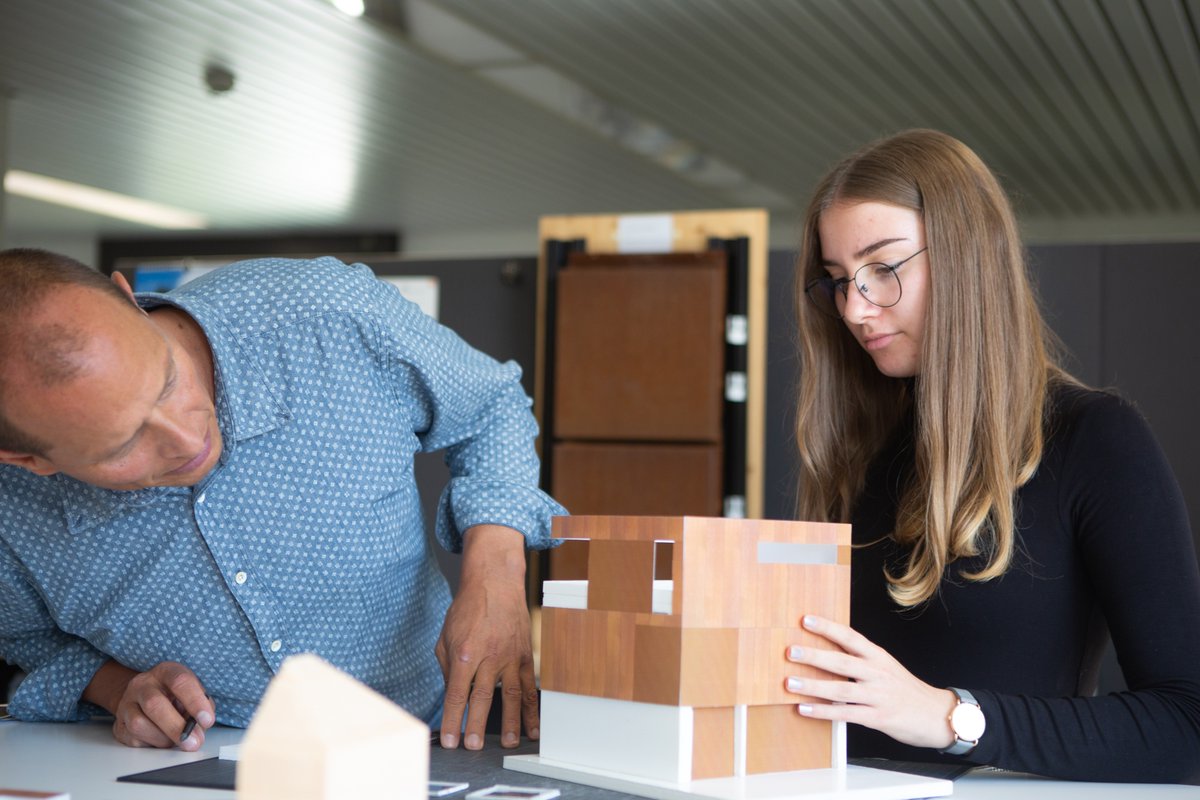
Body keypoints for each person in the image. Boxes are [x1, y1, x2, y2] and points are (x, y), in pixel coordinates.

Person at [0, 249, 565, 753]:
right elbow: (26, 639)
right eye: (124, 443)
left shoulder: (324, 315)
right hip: (216, 770)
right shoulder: (10, 513)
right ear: (27, 461)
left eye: (168, 378)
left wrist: (496, 573)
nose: (186, 438)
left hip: (441, 733)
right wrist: (121, 687)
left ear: (128, 300)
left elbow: (490, 406)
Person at [782, 129, 1200, 783]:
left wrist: (950, 717)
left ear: (966, 259)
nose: (856, 309)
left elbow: (1187, 724)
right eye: (836, 281)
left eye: (883, 269)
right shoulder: (859, 451)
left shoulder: (1094, 439)